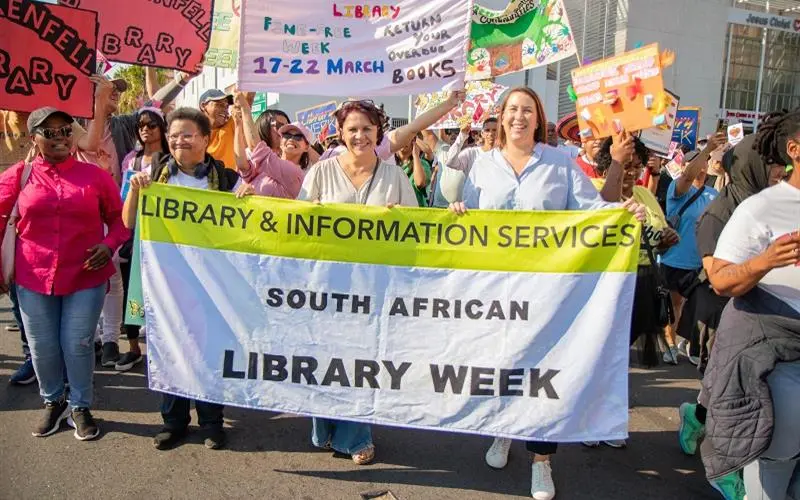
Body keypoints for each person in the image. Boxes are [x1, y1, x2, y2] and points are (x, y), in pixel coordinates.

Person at [448, 87, 644, 500]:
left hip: (548, 290)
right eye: (512, 110)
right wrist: (459, 212)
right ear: (501, 118)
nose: (519, 117)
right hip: (494, 290)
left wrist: (623, 211)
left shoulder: (560, 162)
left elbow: (593, 213)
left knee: (540, 369)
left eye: (528, 111)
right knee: (500, 363)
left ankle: (541, 460)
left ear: (539, 120)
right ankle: (503, 430)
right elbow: (467, 223)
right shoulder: (481, 166)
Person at [297, 99, 418, 465]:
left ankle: (356, 435)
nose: (360, 135)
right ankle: (325, 427)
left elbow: (417, 229)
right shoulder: (320, 172)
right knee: (326, 360)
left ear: (378, 131)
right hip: (327, 288)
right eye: (352, 129)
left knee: (362, 364)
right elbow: (296, 222)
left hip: (373, 292)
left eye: (367, 128)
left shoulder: (395, 177)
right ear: (340, 133)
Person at [0, 107, 130, 440]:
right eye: (50, 132)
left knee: (78, 343)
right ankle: (53, 401)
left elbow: (119, 222)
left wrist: (108, 245)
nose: (59, 138)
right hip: (33, 277)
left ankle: (81, 405)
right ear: (34, 138)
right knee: (43, 347)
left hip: (84, 277)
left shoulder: (95, 176)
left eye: (65, 131)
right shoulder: (18, 175)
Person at [123, 107, 240, 451]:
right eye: (174, 135)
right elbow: (129, 222)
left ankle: (211, 422)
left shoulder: (226, 179)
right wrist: (135, 189)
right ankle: (173, 422)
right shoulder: (153, 176)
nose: (179, 141)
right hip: (166, 283)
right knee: (168, 349)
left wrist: (244, 201)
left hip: (212, 284)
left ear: (206, 139)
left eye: (187, 134)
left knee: (209, 351)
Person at [701, 110, 800, 500]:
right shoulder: (762, 208)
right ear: (794, 149)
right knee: (778, 460)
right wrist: (766, 260)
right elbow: (721, 280)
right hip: (777, 354)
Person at [583, 134, 680, 449]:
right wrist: (617, 165)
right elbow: (603, 214)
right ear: (608, 164)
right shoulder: (594, 192)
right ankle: (587, 419)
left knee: (617, 358)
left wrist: (665, 238)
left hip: (641, 283)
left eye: (636, 166)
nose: (631, 173)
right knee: (597, 355)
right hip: (604, 286)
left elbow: (654, 234)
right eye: (625, 165)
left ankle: (607, 421)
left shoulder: (644, 194)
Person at [659, 133, 725, 364]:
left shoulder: (714, 195)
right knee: (674, 306)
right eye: (696, 162)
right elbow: (687, 176)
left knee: (697, 307)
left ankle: (690, 343)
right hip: (674, 260)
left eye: (704, 163)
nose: (702, 167)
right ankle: (670, 345)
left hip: (700, 263)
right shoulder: (677, 192)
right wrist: (707, 150)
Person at [114, 106, 171, 372]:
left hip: (166, 236)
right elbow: (124, 198)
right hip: (135, 234)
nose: (145, 129)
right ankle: (134, 347)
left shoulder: (172, 161)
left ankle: (166, 348)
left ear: (162, 127)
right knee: (132, 290)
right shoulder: (131, 160)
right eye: (141, 125)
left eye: (151, 124)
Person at [232, 94, 304, 199]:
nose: (290, 138)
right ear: (263, 126)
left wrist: (245, 107)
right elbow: (243, 166)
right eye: (282, 128)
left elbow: (256, 148)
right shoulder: (264, 164)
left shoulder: (295, 172)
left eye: (298, 136)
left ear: (307, 147)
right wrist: (238, 124)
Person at [395, 134, 432, 207]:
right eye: (400, 139)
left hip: (414, 213)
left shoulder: (422, 164)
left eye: (407, 139)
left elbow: (420, 183)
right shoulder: (390, 163)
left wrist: (415, 155)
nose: (403, 141)